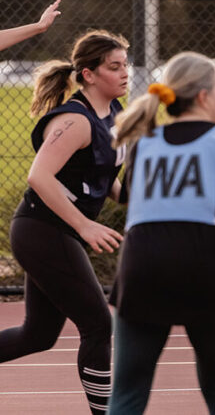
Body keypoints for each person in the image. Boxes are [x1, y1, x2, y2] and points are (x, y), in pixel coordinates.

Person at [107, 52, 215, 413]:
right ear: (203, 96)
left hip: (143, 266)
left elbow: (136, 207)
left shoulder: (143, 145)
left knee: (127, 391)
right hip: (206, 265)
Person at [1, 21, 129, 415]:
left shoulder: (114, 113)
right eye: (114, 66)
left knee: (38, 335)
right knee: (98, 324)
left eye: (126, 64)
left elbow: (100, 176)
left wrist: (140, 203)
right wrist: (85, 225)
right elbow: (38, 176)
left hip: (58, 233)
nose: (125, 72)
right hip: (42, 230)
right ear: (88, 74)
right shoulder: (74, 121)